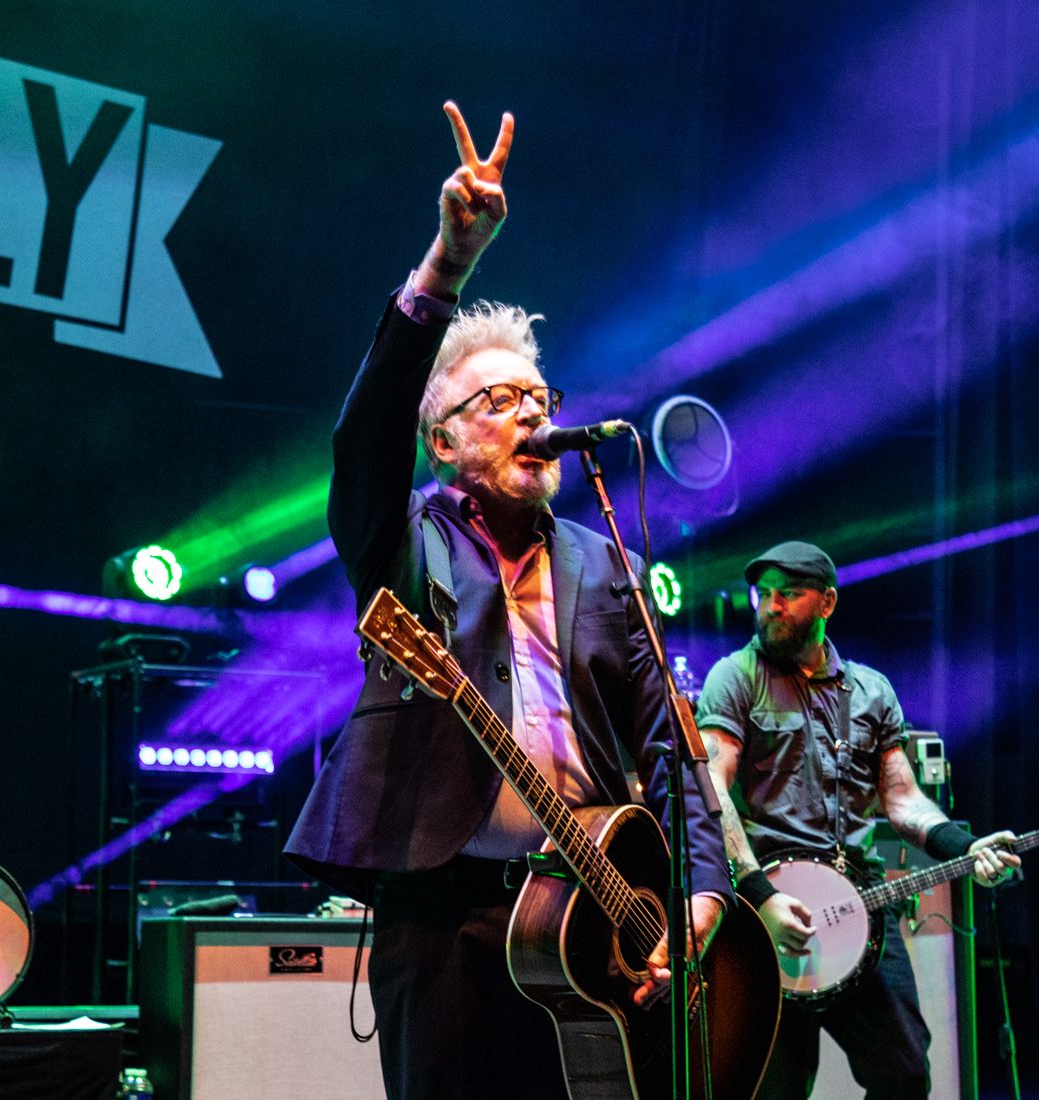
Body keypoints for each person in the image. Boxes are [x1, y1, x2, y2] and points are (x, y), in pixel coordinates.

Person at [284, 102, 730, 1100]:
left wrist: (697, 890)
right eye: (498, 401)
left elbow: (670, 742)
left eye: (540, 397)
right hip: (445, 908)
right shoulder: (405, 539)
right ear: (440, 439)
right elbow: (361, 443)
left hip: (597, 909)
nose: (530, 411)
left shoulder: (601, 554)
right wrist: (445, 266)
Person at [698, 541, 1022, 1100]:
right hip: (767, 912)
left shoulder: (871, 691)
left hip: (860, 904)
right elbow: (712, 790)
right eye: (765, 594)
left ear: (826, 603)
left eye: (789, 594)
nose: (771, 606)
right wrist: (758, 893)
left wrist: (965, 847)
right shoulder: (735, 677)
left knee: (904, 1073)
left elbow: (902, 800)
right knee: (772, 1085)